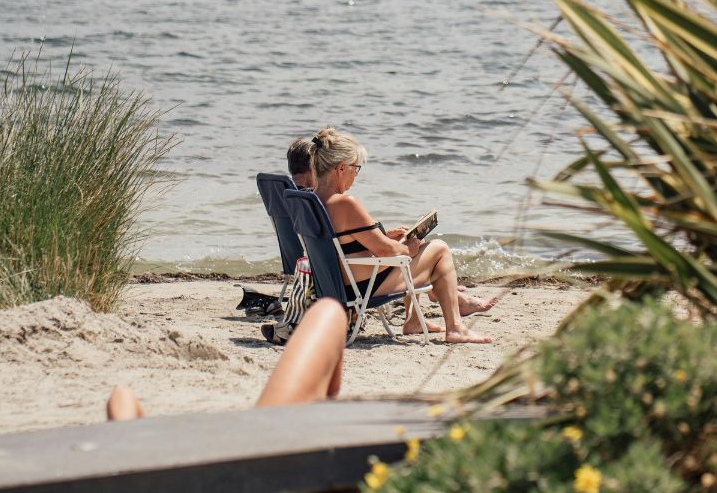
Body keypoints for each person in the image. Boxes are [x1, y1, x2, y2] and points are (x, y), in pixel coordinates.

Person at [310, 127, 496, 345]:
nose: (356, 175)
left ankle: (415, 320)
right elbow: (385, 251)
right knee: (439, 249)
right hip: (363, 288)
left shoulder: (311, 200)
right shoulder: (345, 203)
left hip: (335, 285)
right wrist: (407, 248)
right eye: (356, 168)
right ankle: (455, 327)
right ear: (342, 168)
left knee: (412, 243)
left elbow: (343, 243)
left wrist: (388, 237)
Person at [107, 298, 347, 420]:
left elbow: (121, 397)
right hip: (263, 450)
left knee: (120, 395)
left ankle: (319, 415)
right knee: (327, 310)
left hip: (264, 448)